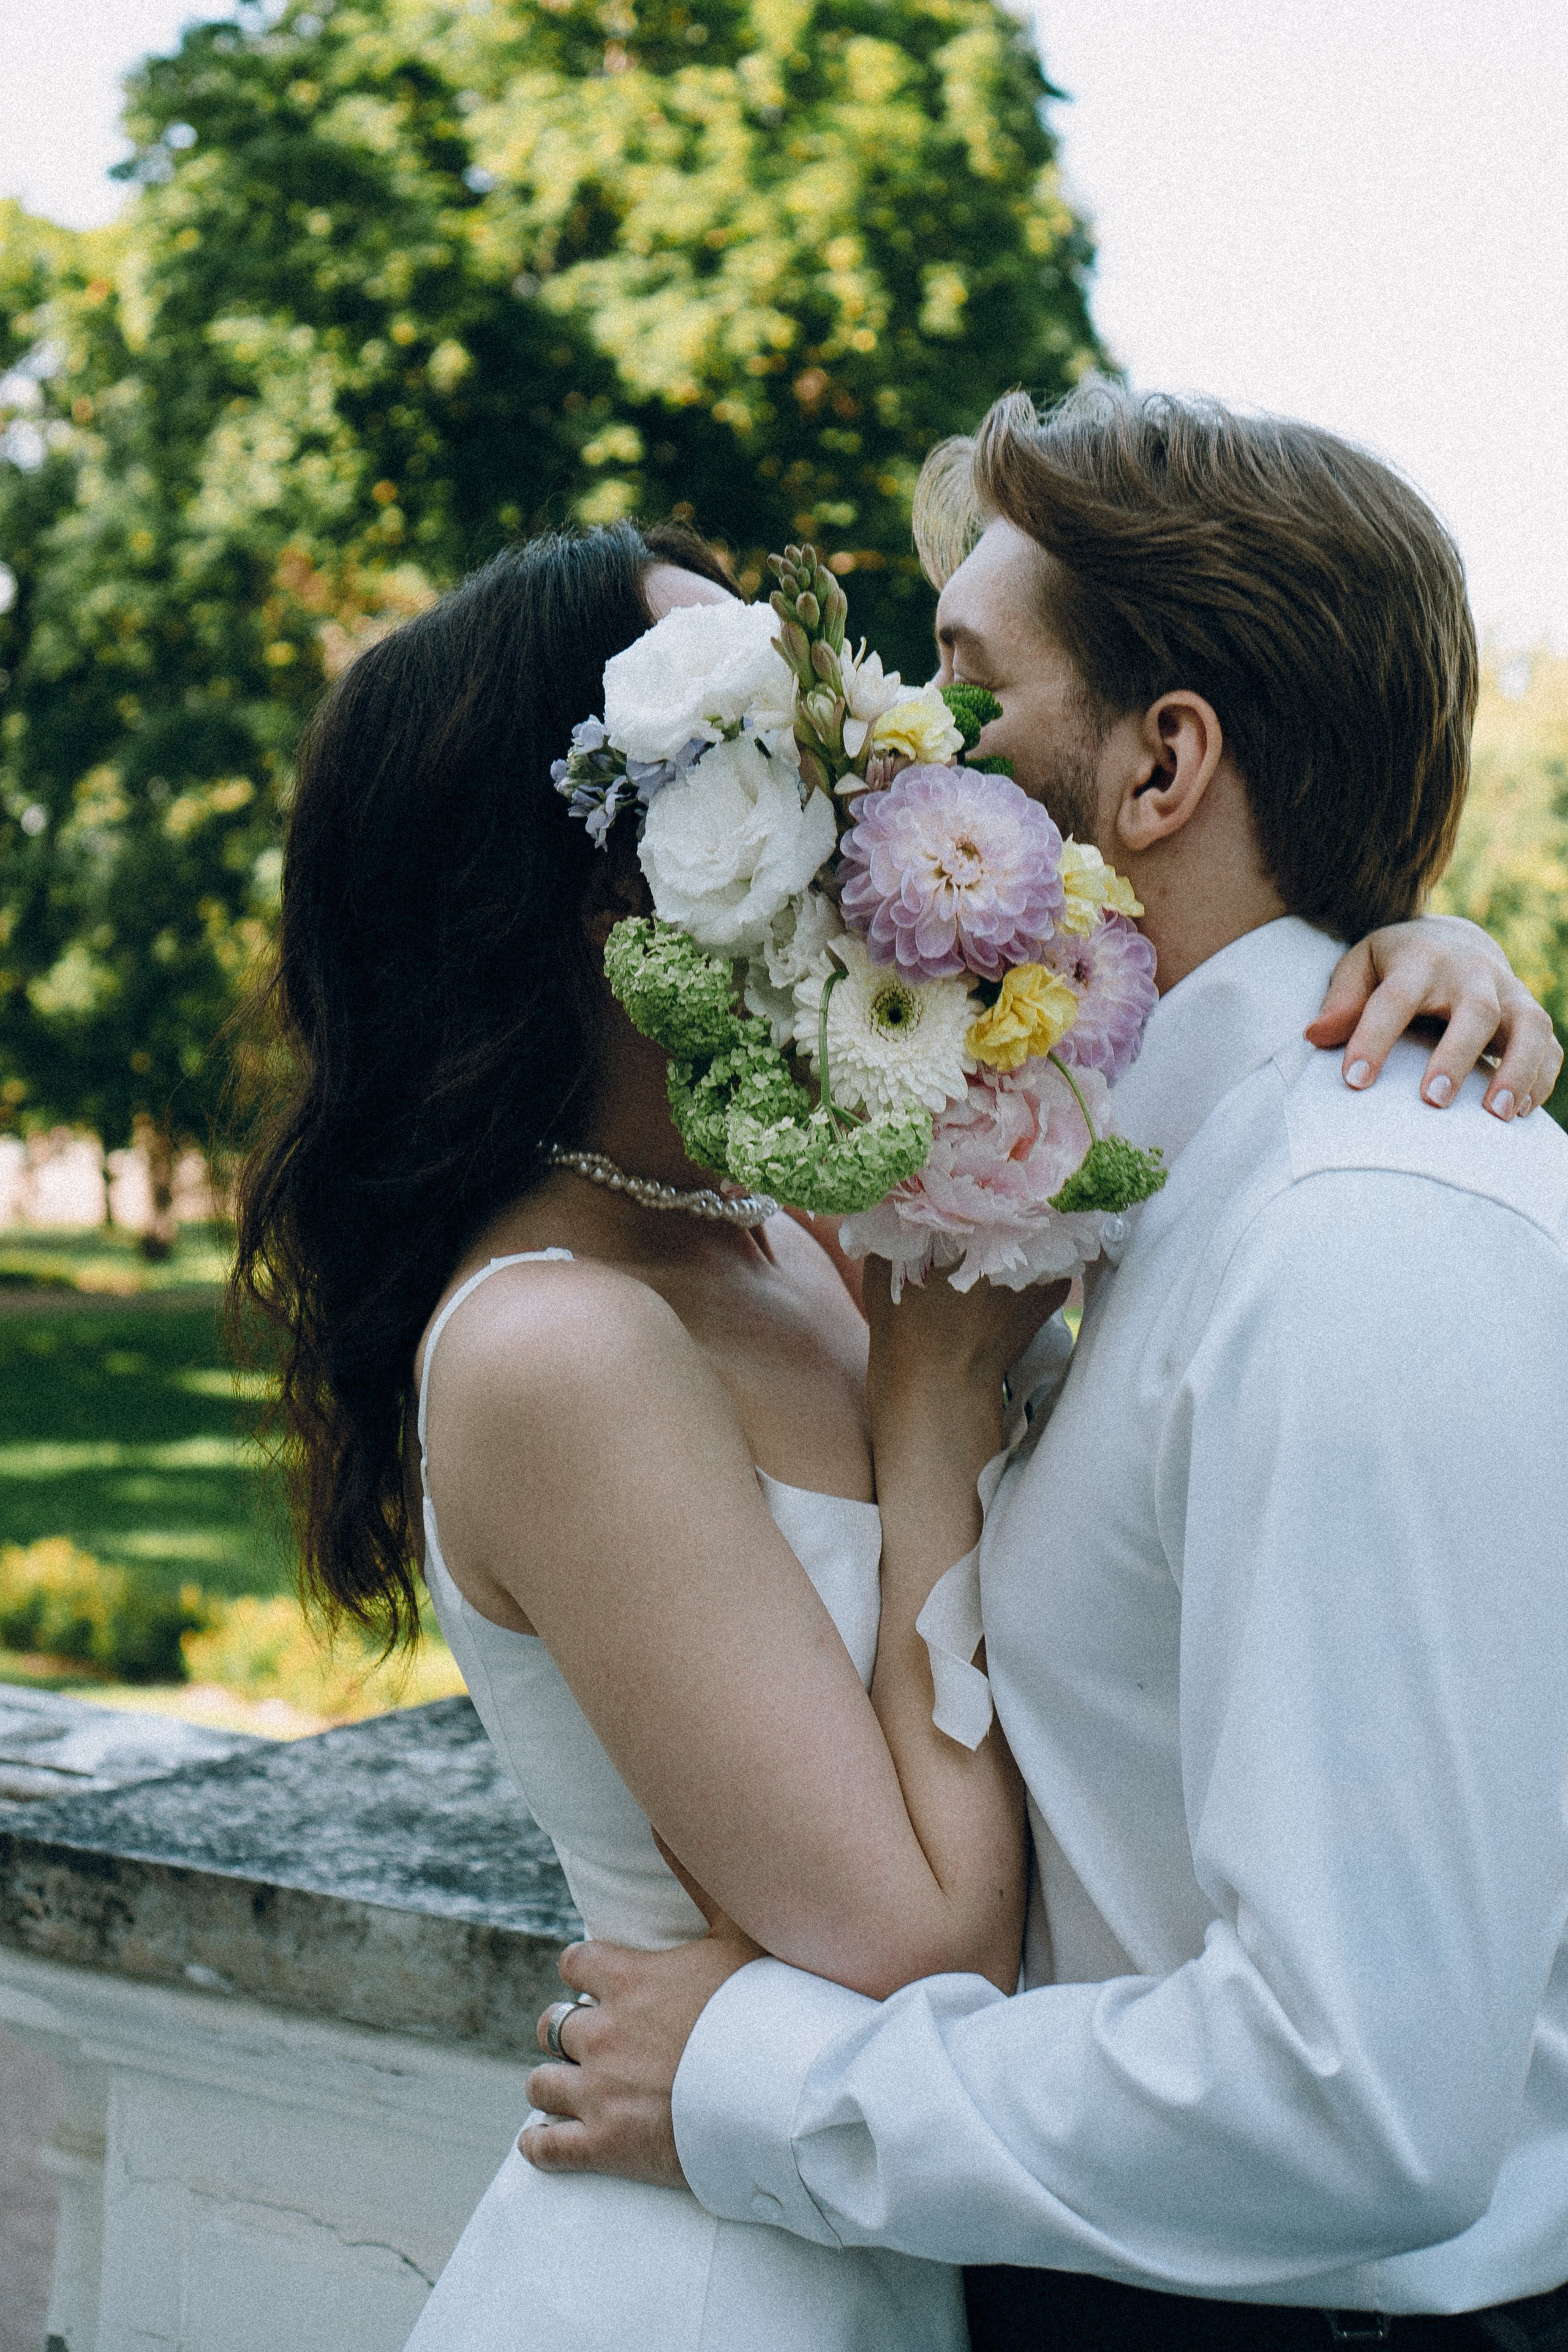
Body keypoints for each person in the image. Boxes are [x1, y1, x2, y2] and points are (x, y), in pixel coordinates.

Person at [230, 500, 1559, 2352]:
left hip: (932, 2226)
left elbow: (1183, 1135)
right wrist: (928, 1434)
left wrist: (1416, 943)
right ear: (606, 880)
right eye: (768, 748)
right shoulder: (562, 1344)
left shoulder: (800, 1223)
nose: (870, 779)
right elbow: (919, 1944)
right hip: (723, 2267)